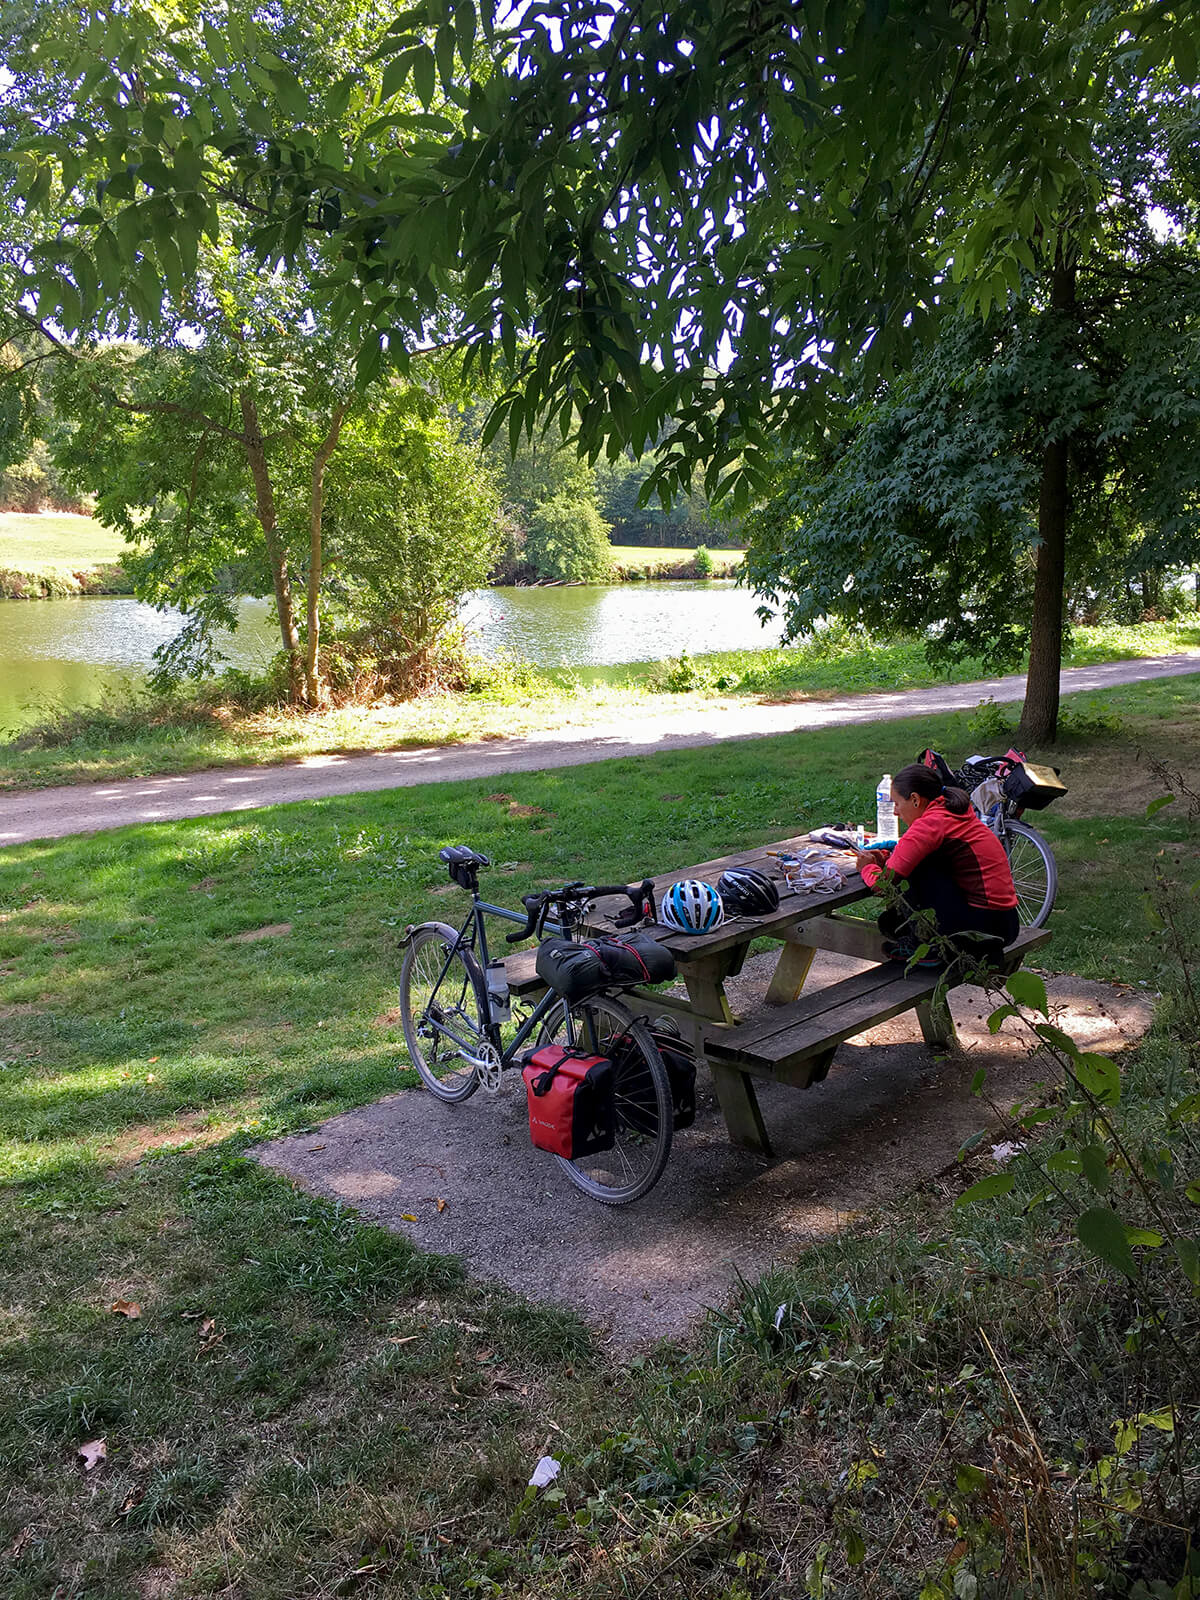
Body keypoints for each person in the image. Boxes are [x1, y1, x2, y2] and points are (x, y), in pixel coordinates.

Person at [849, 763, 1019, 966]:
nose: (895, 812)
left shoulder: (931, 825)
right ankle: (921, 935)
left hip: (982, 929)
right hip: (1006, 922)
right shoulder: (951, 810)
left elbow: (882, 883)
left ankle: (928, 947)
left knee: (913, 871)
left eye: (896, 803)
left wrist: (866, 867)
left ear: (915, 799)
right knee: (894, 916)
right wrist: (888, 857)